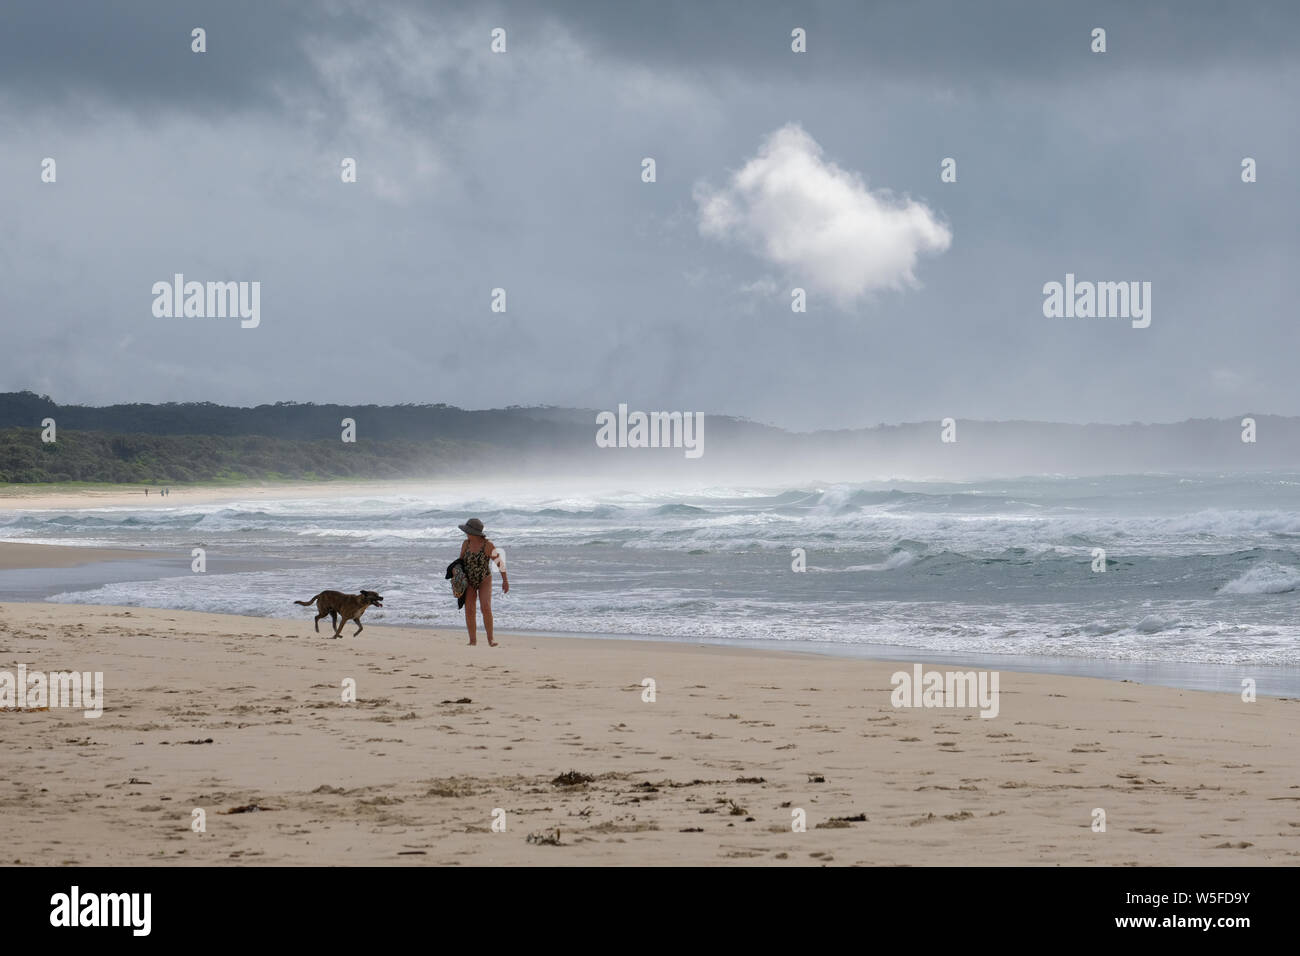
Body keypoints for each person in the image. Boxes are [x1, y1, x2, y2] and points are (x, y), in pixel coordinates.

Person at [457, 517, 508, 647]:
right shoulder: (466, 544)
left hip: (484, 579)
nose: (466, 533)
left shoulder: (487, 545)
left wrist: (505, 581)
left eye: (467, 531)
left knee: (485, 607)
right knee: (469, 609)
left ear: (474, 533)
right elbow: (460, 561)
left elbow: (499, 563)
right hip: (469, 580)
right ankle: (472, 640)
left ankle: (490, 639)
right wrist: (456, 574)